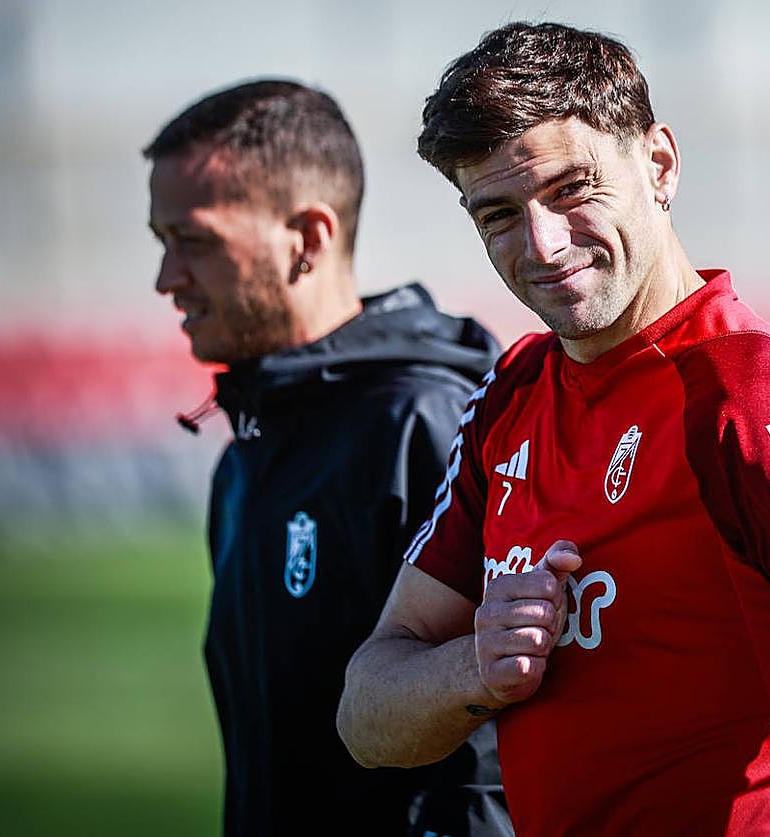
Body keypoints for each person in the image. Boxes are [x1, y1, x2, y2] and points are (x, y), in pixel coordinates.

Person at [337, 23, 770, 836]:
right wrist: (475, 664)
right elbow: (367, 715)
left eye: (571, 189)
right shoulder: (511, 394)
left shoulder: (754, 393)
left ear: (659, 165)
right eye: (500, 214)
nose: (542, 245)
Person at [145, 79, 511, 837]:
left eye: (196, 243)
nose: (166, 279)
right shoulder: (248, 451)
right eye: (162, 242)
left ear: (307, 239)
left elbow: (489, 748)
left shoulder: (425, 423)